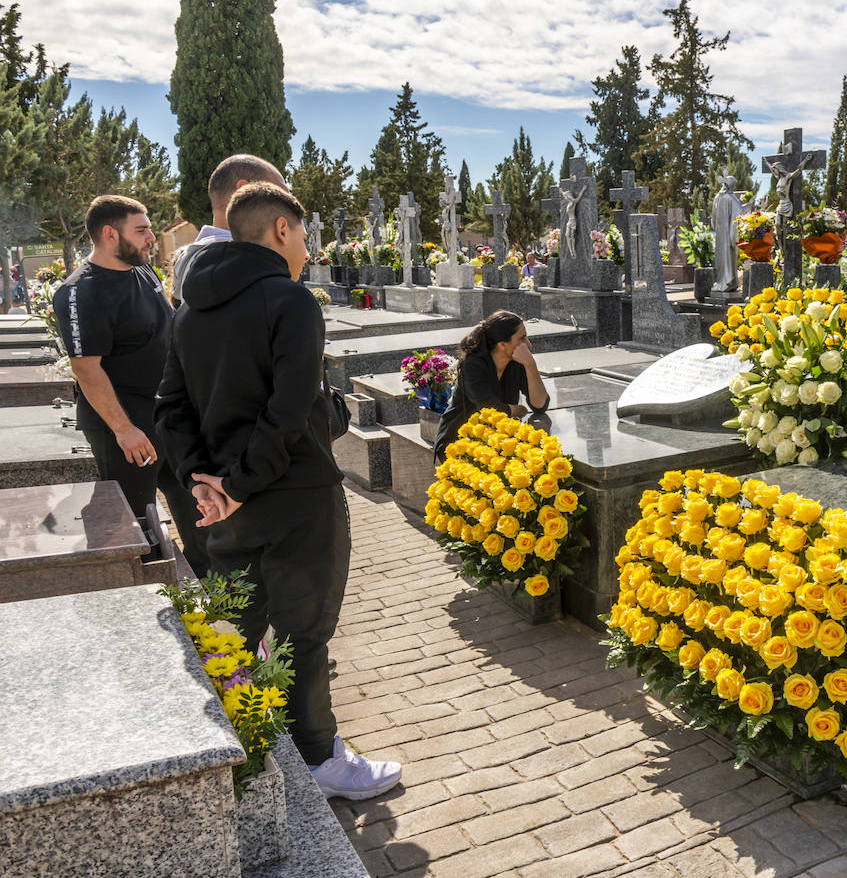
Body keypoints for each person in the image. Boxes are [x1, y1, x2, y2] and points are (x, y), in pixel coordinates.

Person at [155, 182, 401, 801]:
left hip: (223, 506)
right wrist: (236, 486)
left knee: (241, 626)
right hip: (295, 498)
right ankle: (318, 758)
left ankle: (249, 744)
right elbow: (289, 410)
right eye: (304, 234)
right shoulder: (289, 302)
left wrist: (200, 484)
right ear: (282, 230)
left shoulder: (189, 309)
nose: (307, 248)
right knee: (305, 633)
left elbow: (172, 409)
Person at [52, 195, 211, 575]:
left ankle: (209, 585)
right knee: (137, 522)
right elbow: (87, 370)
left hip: (167, 413)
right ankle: (148, 598)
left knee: (196, 506)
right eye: (141, 230)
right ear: (109, 234)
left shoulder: (143, 271)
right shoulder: (80, 292)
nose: (151, 237)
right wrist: (124, 430)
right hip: (125, 422)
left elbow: (169, 328)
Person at [431, 311, 551, 463]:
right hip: (459, 440)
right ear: (502, 345)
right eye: (522, 338)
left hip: (497, 438)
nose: (528, 344)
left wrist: (530, 365)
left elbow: (540, 405)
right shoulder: (473, 365)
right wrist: (518, 409)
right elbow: (491, 410)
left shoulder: (518, 362)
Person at [171, 154, 286, 308]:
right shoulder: (241, 261)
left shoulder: (194, 257)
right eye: (279, 194)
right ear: (245, 192)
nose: (287, 206)